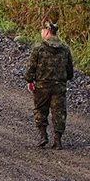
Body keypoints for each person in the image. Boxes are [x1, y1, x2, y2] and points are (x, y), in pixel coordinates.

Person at [24, 19, 74, 149]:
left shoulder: (39, 48)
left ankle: (43, 135)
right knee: (59, 112)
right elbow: (70, 71)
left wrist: (30, 80)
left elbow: (31, 68)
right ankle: (57, 140)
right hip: (59, 86)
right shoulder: (65, 49)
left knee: (40, 110)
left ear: (46, 32)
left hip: (42, 86)